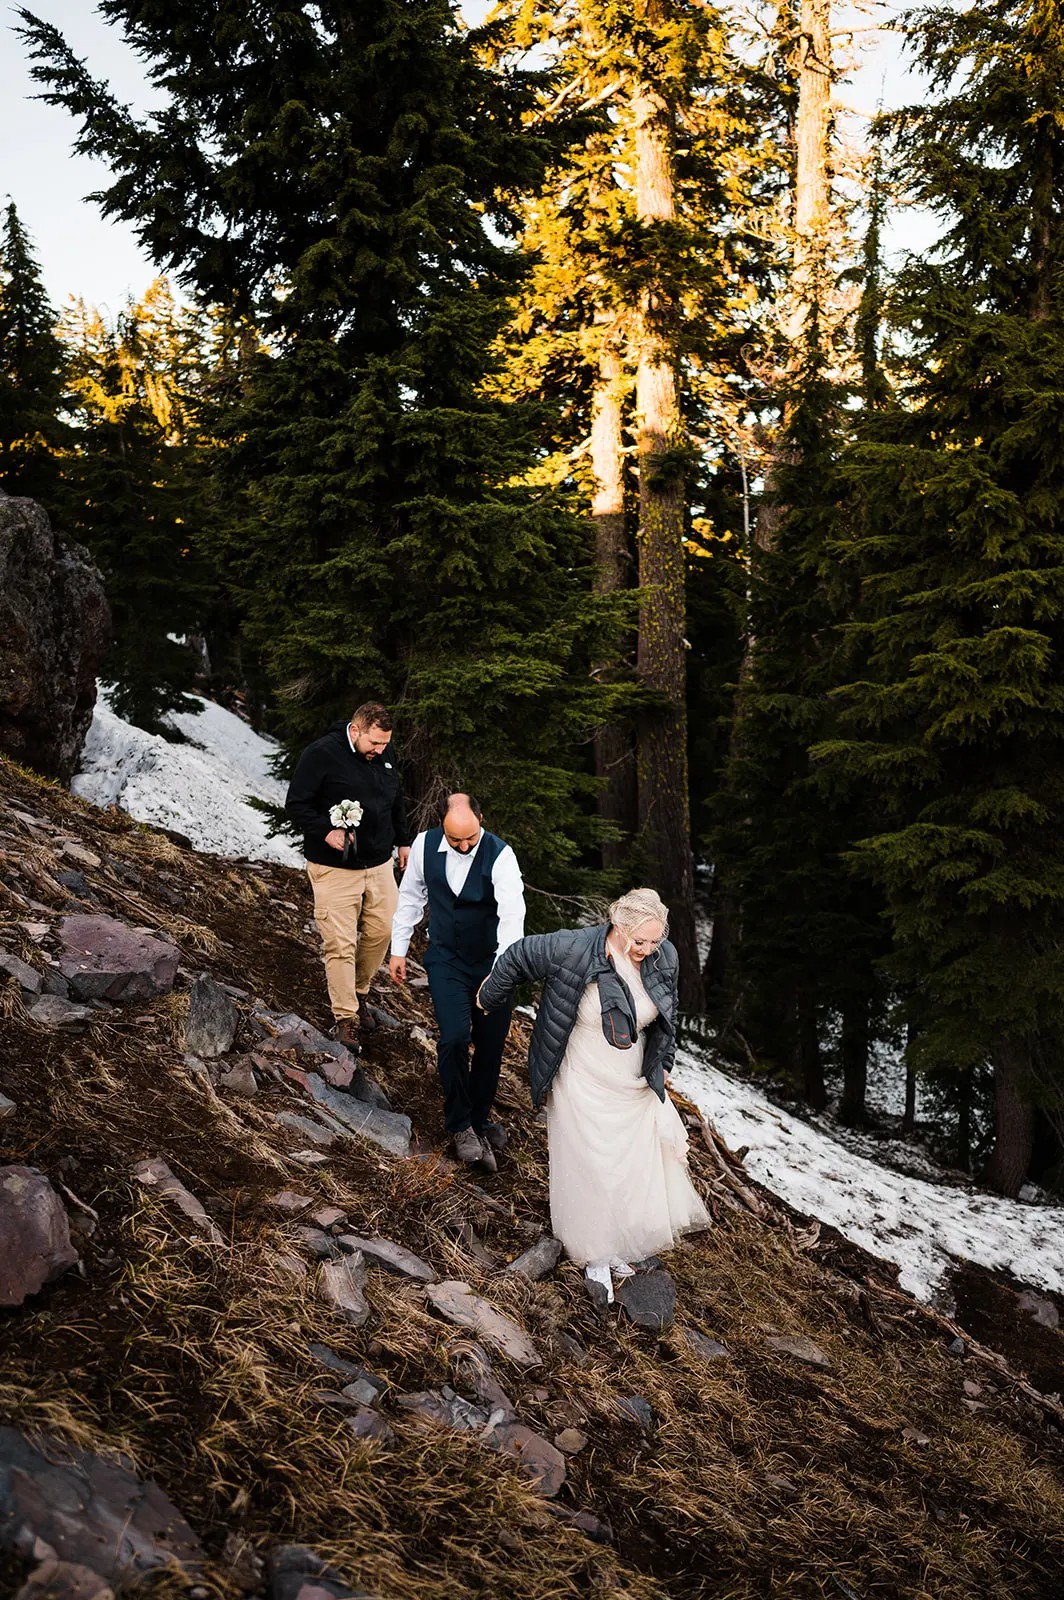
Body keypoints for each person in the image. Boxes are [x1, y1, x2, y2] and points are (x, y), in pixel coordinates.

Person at [477, 887, 710, 1301]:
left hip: (630, 1072)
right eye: (640, 941)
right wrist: (490, 996)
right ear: (619, 927)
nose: (648, 949)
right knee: (592, 1159)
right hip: (581, 1068)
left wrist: (665, 1063)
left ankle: (619, 1242)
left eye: (655, 941)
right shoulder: (573, 947)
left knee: (627, 1159)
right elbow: (517, 956)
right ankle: (594, 1253)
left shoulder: (664, 956)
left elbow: (667, 1012)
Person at [389, 793, 525, 1170]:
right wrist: (398, 949)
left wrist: (499, 975)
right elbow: (411, 896)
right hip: (446, 958)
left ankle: (480, 1122)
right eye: (455, 840)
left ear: (481, 819)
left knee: (490, 1045)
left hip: (491, 962)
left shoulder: (501, 855)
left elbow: (513, 918)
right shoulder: (423, 845)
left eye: (471, 838)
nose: (464, 846)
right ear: (441, 827)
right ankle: (461, 1126)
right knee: (452, 1038)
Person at [286, 701, 412, 1051]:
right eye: (374, 743)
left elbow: (395, 797)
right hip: (334, 867)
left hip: (379, 863)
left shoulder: (385, 753)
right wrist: (325, 830)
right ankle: (346, 1018)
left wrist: (403, 840)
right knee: (340, 943)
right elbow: (296, 804)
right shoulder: (321, 754)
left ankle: (358, 991)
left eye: (385, 744)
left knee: (383, 930)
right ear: (356, 731)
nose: (381, 750)